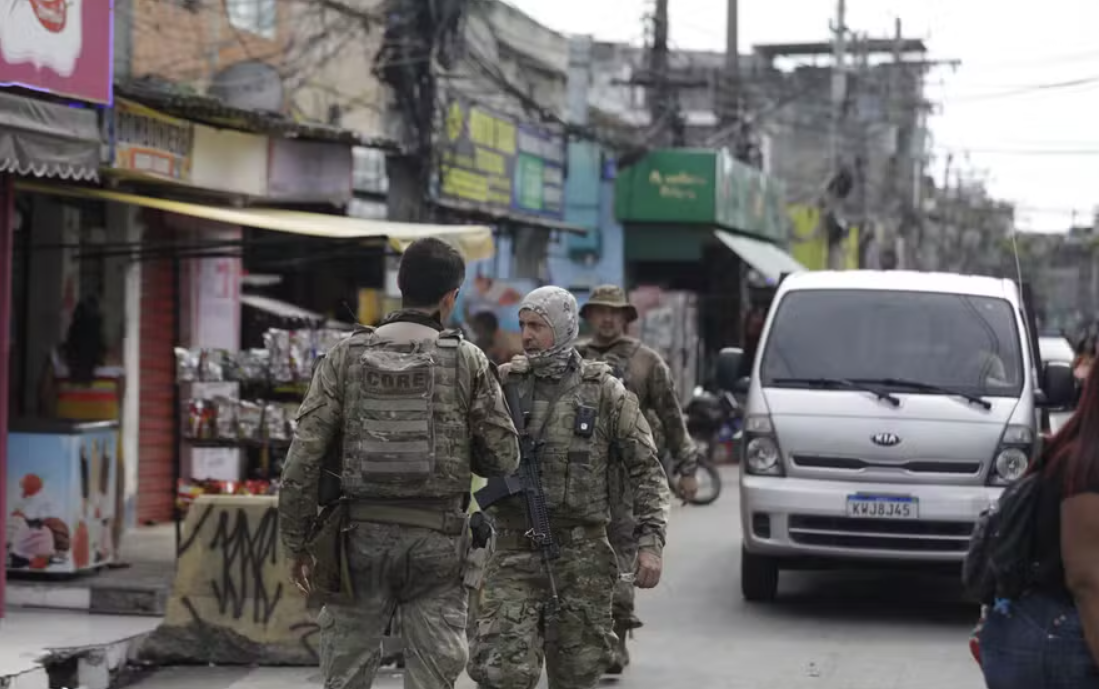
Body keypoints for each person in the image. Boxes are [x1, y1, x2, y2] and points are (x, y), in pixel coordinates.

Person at [278, 237, 520, 689]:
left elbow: (302, 459)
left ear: (399, 285)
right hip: (439, 546)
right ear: (451, 297)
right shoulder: (468, 361)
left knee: (344, 677)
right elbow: (503, 457)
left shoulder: (343, 357)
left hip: (357, 544)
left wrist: (296, 545)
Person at [467, 286, 671, 689]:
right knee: (503, 673)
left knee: (577, 674)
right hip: (513, 553)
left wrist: (651, 542)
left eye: (537, 326)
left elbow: (646, 469)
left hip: (581, 558)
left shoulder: (605, 392)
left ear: (562, 327)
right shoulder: (503, 385)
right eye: (523, 325)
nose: (526, 335)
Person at [575, 284, 697, 674]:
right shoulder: (572, 358)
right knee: (577, 564)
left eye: (616, 312)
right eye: (600, 311)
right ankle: (585, 642)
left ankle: (616, 641)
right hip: (579, 478)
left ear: (627, 318)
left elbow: (672, 416)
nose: (608, 319)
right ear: (590, 316)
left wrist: (687, 466)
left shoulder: (647, 362)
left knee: (622, 564)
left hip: (628, 479)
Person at [978, 355, 1099, 687]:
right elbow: (1087, 579)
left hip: (1028, 628)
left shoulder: (1067, 449)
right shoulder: (1089, 461)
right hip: (1065, 637)